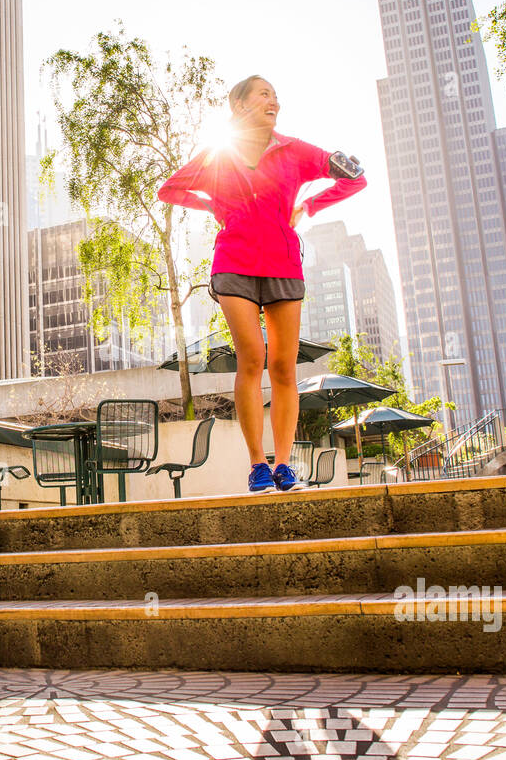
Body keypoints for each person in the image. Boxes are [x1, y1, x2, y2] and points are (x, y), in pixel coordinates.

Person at [156, 75, 367, 493]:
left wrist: (308, 203)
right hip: (233, 262)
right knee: (252, 356)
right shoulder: (218, 156)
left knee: (284, 366)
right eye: (264, 94)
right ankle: (257, 465)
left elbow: (355, 176)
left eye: (275, 94)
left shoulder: (297, 151)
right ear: (239, 107)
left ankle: (284, 464)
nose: (274, 100)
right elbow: (169, 189)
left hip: (284, 263)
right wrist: (211, 203)